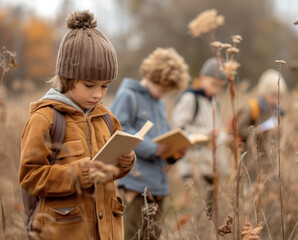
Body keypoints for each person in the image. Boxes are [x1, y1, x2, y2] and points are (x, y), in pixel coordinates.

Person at [19, 10, 135, 240]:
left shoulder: (107, 118)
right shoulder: (45, 118)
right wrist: (79, 173)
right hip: (65, 231)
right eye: (89, 85)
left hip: (108, 231)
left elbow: (114, 172)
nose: (97, 94)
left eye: (105, 86)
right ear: (67, 77)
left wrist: (126, 162)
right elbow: (30, 177)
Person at [110, 47, 190, 240]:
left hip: (158, 185)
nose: (163, 95)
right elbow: (119, 131)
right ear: (148, 75)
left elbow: (163, 135)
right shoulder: (128, 96)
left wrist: (173, 152)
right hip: (135, 184)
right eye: (161, 90)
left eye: (166, 92)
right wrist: (155, 149)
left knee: (153, 235)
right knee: (131, 234)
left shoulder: (160, 103)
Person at [172, 57, 229, 189]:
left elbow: (216, 131)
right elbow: (179, 130)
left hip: (211, 168)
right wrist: (207, 133)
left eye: (220, 86)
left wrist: (225, 137)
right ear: (202, 77)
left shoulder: (214, 102)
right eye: (213, 84)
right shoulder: (190, 98)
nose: (216, 90)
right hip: (192, 168)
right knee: (195, 207)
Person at [236, 68, 287, 182]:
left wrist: (279, 131)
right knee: (251, 188)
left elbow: (279, 137)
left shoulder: (277, 111)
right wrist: (256, 131)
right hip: (251, 159)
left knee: (268, 187)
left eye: (278, 96)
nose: (275, 100)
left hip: (268, 160)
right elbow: (239, 128)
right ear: (265, 93)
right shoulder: (252, 108)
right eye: (273, 96)